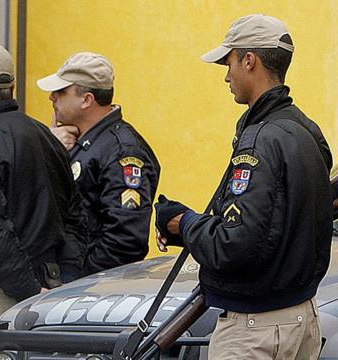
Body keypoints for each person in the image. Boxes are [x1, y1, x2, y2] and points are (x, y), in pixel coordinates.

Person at [154, 14, 332, 359]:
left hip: (256, 330)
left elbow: (234, 245)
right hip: (301, 319)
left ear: (249, 60)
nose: (226, 75)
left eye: (229, 62)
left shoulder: (261, 138)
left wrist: (182, 222)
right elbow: (277, 225)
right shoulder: (307, 131)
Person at [0, 42, 87, 336]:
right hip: (50, 288)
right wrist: (67, 277)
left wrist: (27, 287)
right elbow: (75, 216)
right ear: (11, 87)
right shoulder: (45, 136)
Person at [37, 52, 160, 274]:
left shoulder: (123, 152)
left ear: (87, 100)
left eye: (61, 92)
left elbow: (125, 239)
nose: (52, 98)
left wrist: (78, 279)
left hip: (91, 289)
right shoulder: (79, 142)